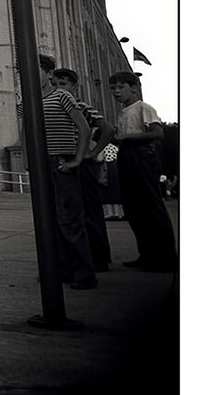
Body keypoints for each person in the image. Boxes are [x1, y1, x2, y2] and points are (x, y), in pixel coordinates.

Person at [109, 71, 178, 272]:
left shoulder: (143, 108)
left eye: (121, 87)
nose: (116, 92)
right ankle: (147, 254)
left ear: (133, 87)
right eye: (113, 88)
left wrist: (127, 138)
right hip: (127, 157)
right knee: (133, 208)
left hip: (143, 157)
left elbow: (158, 133)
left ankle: (166, 257)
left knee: (151, 205)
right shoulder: (123, 112)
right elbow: (120, 138)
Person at [39, 55, 97, 289]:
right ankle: (62, 268)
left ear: (49, 73)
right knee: (49, 219)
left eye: (36, 69)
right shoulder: (28, 100)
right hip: (43, 162)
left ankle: (85, 273)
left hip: (63, 160)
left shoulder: (63, 95)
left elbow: (84, 129)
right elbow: (26, 129)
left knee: (70, 220)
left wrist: (78, 160)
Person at [53, 68, 114, 271]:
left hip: (82, 160)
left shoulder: (79, 105)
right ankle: (76, 257)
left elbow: (108, 129)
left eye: (64, 84)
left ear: (74, 87)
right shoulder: (55, 103)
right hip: (67, 158)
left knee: (89, 209)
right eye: (56, 84)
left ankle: (98, 257)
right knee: (70, 211)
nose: (59, 88)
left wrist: (93, 151)